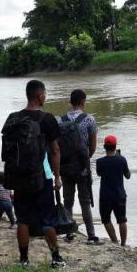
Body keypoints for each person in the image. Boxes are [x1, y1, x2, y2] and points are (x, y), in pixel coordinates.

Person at [2, 80, 65, 268]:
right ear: (40, 96)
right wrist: (57, 176)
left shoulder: (13, 118)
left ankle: (23, 260)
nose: (45, 97)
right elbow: (55, 150)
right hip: (41, 176)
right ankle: (56, 258)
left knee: (22, 219)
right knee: (47, 219)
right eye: (45, 94)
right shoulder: (47, 119)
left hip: (18, 176)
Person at [59, 89, 100, 245]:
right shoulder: (89, 120)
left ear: (70, 102)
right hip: (82, 167)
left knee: (67, 200)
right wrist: (83, 160)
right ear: (83, 101)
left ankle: (69, 234)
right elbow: (93, 146)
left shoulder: (61, 120)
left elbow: (56, 145)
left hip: (65, 166)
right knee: (85, 201)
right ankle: (91, 236)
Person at [96, 135, 131, 246]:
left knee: (106, 219)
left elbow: (99, 173)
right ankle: (123, 244)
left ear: (104, 147)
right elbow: (128, 175)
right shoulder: (122, 159)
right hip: (120, 194)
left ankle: (115, 241)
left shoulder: (99, 162)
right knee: (122, 220)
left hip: (105, 195)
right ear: (115, 146)